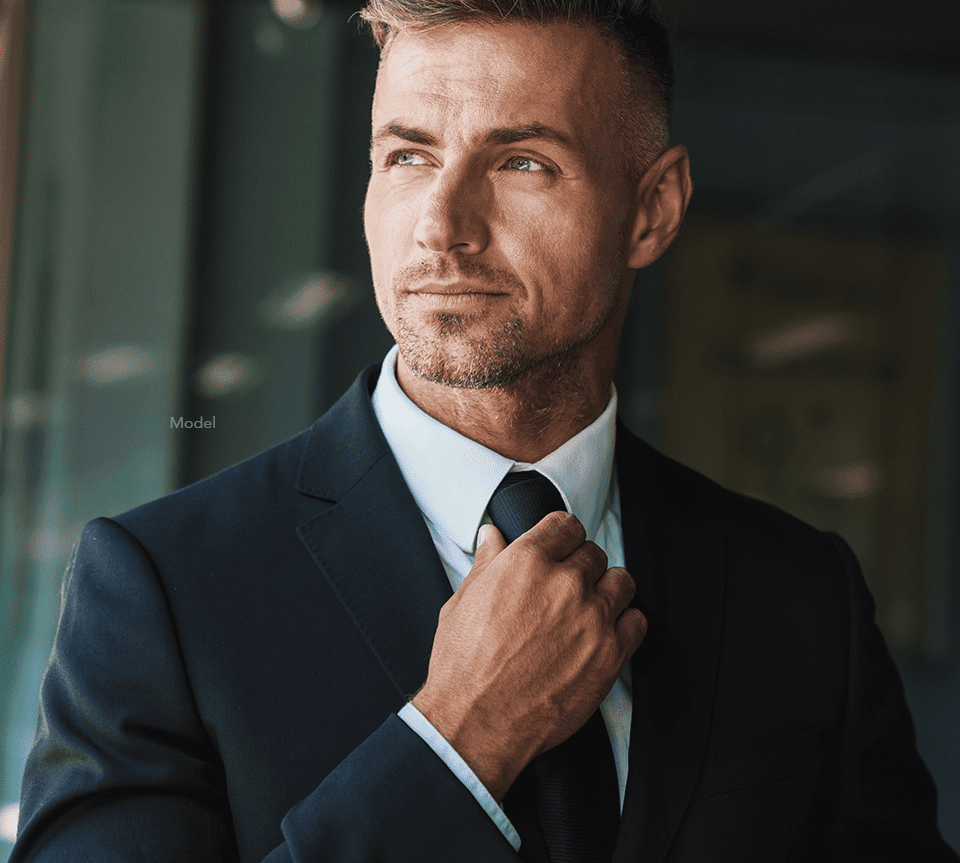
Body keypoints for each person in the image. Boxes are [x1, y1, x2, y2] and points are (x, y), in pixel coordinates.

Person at [11, 0, 957, 861]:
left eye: (521, 162)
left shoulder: (804, 601)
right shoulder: (161, 591)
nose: (442, 226)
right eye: (407, 156)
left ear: (653, 210)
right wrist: (459, 741)